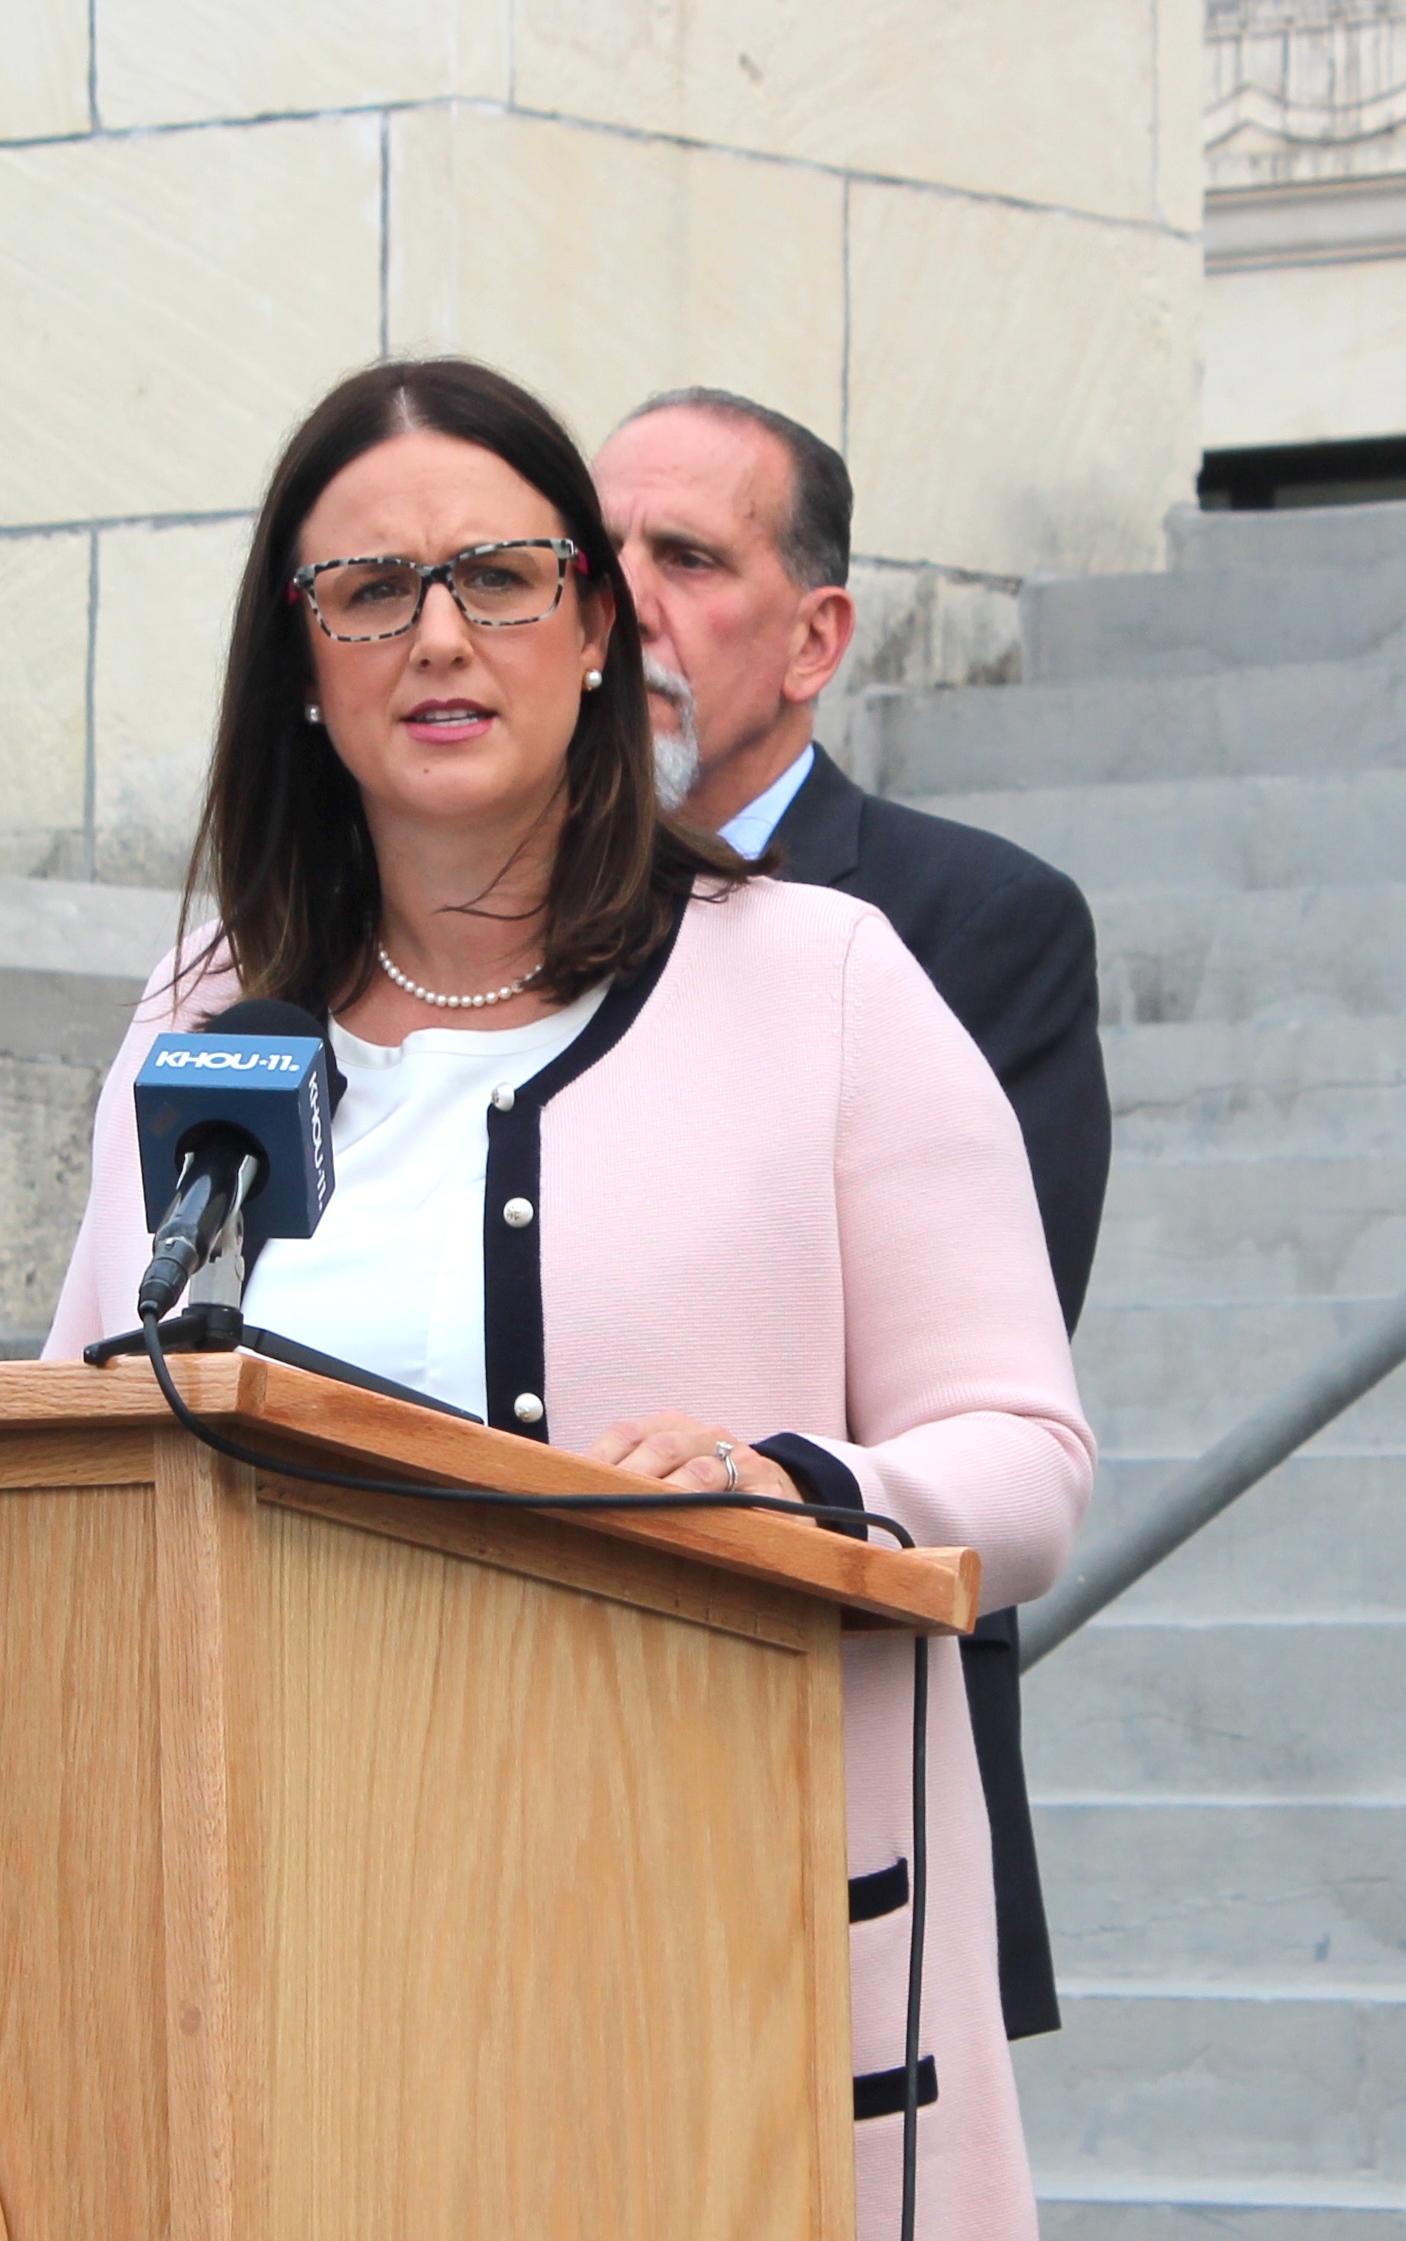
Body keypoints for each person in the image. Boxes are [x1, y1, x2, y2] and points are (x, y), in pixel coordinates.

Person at [39, 358, 1093, 2241]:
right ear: (294, 660)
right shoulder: (192, 1011)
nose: (437, 631)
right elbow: (71, 1450)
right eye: (367, 582)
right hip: (312, 2035)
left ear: (599, 630)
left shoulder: (820, 982)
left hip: (721, 2033)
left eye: (498, 572)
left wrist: (792, 1488)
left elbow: (1019, 1444)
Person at [596, 384, 1112, 2049]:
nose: (623, 605)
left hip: (838, 1797)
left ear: (813, 637)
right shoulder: (456, 933)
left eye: (683, 556)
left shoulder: (973, 928)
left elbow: (980, 1397)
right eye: (588, 555)